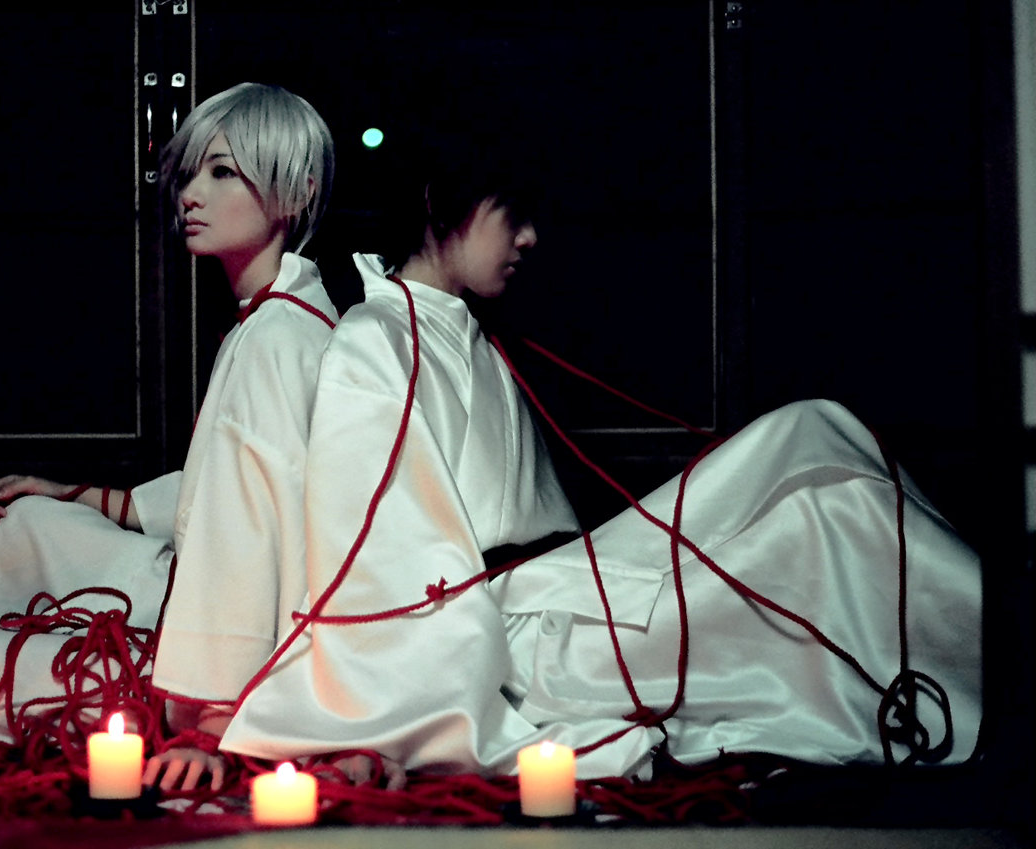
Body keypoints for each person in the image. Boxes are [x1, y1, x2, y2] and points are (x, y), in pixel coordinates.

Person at [213, 128, 982, 781]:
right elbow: (375, 565)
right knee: (817, 520)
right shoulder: (373, 341)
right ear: (439, 204)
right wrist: (377, 729)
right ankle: (992, 647)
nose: (529, 238)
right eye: (513, 214)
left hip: (561, 586)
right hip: (514, 635)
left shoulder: (469, 333)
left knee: (814, 434)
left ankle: (984, 632)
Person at [0, 83, 341, 779]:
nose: (190, 194)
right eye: (190, 173)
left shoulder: (280, 339)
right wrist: (76, 494)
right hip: (186, 589)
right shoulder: (274, 317)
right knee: (32, 524)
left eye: (222, 172)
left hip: (216, 649)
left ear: (297, 192)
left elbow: (256, 543)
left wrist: (211, 724)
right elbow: (220, 491)